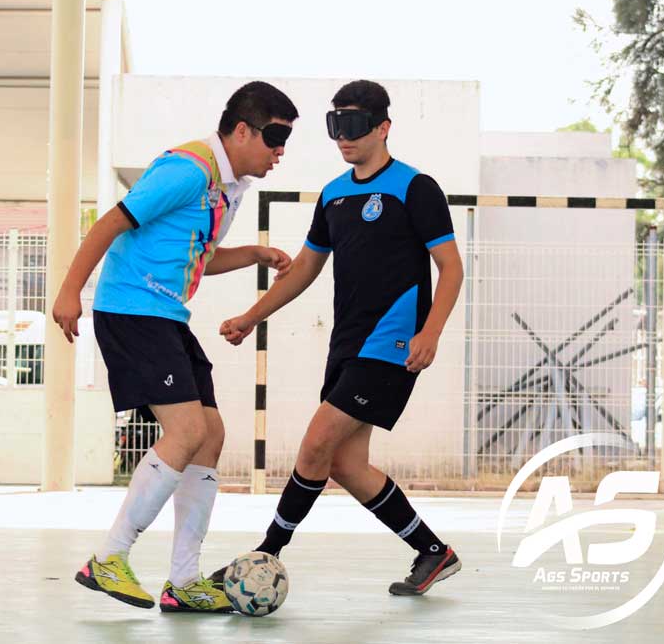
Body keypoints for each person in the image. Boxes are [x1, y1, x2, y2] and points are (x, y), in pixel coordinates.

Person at [51, 81, 299, 612]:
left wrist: (252, 253)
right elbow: (112, 222)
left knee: (209, 435)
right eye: (275, 138)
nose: (280, 152)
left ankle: (183, 581)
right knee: (185, 431)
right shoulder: (188, 170)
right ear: (241, 130)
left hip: (165, 314)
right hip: (132, 309)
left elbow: (198, 256)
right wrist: (70, 289)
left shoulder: (227, 186)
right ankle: (109, 558)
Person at [215, 80, 464, 596]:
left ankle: (266, 553)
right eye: (335, 126)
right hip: (347, 345)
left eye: (352, 126)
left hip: (392, 342)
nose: (342, 138)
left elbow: (451, 267)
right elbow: (306, 267)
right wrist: (250, 316)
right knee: (347, 464)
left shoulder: (415, 188)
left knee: (316, 443)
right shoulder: (333, 194)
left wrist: (431, 332)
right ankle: (434, 553)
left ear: (382, 127)